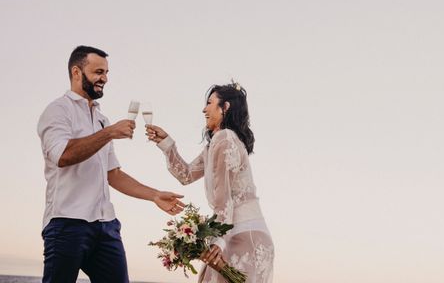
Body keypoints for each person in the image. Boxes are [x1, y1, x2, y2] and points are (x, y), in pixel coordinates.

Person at [37, 45, 186, 283]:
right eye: (98, 72)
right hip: (66, 224)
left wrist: (155, 195)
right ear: (76, 72)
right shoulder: (57, 111)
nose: (104, 79)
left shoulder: (101, 118)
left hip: (106, 227)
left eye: (106, 73)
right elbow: (62, 156)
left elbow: (114, 175)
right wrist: (108, 134)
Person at [145, 82, 274, 283]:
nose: (204, 109)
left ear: (226, 107)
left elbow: (225, 198)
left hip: (243, 235)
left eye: (209, 103)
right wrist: (166, 143)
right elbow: (186, 175)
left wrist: (218, 241)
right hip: (235, 232)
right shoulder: (215, 144)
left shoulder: (225, 138)